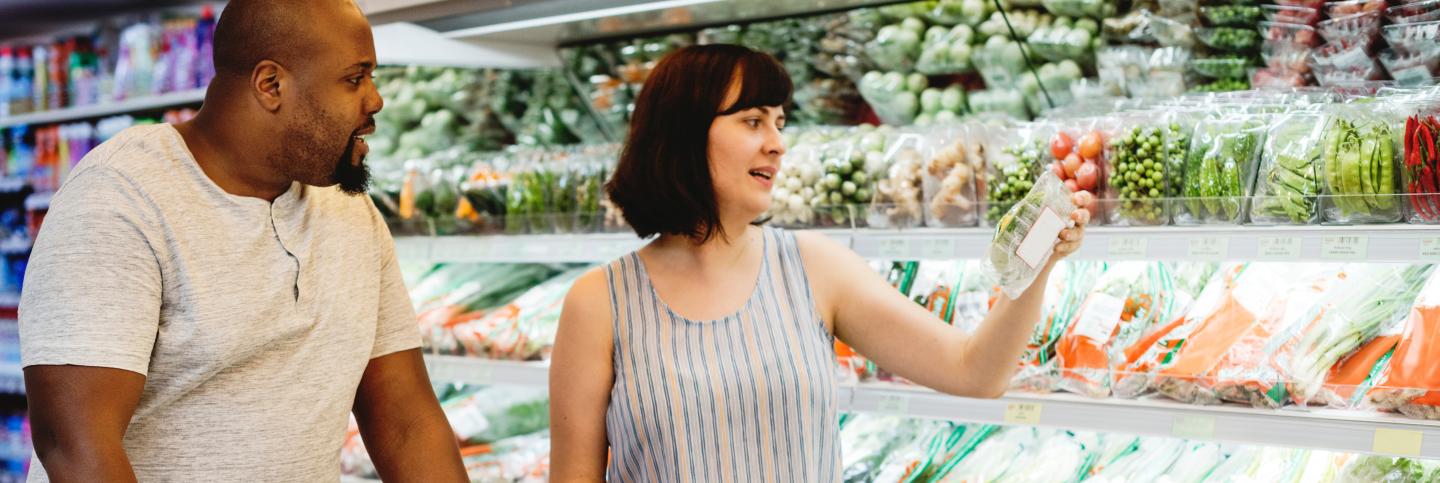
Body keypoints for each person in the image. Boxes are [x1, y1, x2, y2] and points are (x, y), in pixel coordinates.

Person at [549, 44, 1091, 481]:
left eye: (780, 122)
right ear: (685, 132)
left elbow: (976, 372)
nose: (778, 144)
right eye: (753, 121)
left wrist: (1037, 257)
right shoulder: (601, 302)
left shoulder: (812, 268)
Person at [19, 1, 467, 481]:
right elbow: (74, 445)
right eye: (354, 79)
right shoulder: (120, 199)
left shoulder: (350, 211)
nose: (375, 100)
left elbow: (406, 422)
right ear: (271, 84)